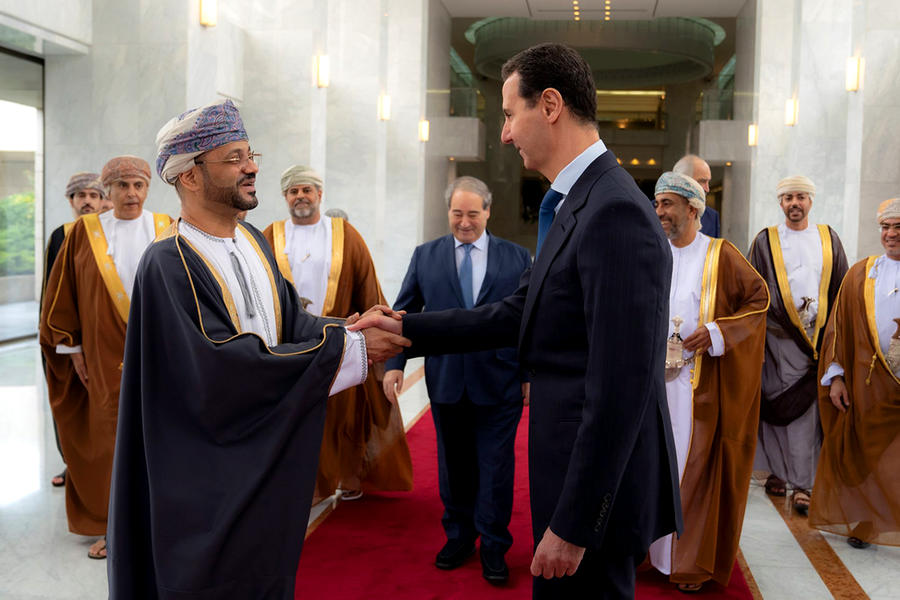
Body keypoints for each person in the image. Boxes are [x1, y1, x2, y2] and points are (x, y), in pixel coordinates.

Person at [352, 43, 680, 598]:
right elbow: (515, 313)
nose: (504, 133)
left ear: (549, 105)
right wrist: (405, 330)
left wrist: (575, 523)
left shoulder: (615, 211)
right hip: (568, 471)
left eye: (509, 114)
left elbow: (622, 387)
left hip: (592, 500)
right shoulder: (578, 202)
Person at [106, 99, 409, 598]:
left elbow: (292, 322)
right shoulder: (169, 262)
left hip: (260, 463)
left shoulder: (251, 241)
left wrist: (349, 326)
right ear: (190, 176)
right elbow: (221, 367)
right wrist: (349, 350)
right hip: (209, 479)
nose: (252, 168)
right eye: (233, 157)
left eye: (251, 154)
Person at [383, 176, 531, 585]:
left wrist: (528, 374)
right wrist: (395, 362)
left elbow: (529, 323)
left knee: (496, 467)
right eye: (457, 214)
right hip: (447, 380)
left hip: (500, 382)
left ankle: (495, 546)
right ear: (448, 212)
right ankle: (460, 537)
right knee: (454, 467)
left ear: (488, 212)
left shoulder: (518, 258)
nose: (464, 222)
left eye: (472, 214)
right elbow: (404, 311)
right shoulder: (425, 256)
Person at [40, 156, 171, 560]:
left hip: (163, 354)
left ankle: (164, 528)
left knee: (163, 440)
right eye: (122, 186)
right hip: (102, 357)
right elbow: (64, 295)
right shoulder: (85, 232)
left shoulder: (169, 228)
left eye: (138, 185)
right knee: (112, 443)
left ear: (148, 189)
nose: (131, 194)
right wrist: (74, 350)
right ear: (107, 191)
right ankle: (117, 530)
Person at [647, 172, 768, 592]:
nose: (659, 212)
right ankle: (647, 554)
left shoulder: (721, 254)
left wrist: (717, 332)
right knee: (650, 468)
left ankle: (687, 562)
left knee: (691, 470)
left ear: (693, 209)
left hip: (698, 390)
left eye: (668, 204)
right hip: (650, 387)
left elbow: (758, 300)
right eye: (657, 203)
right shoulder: (650, 251)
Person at [262, 165, 412, 502]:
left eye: (306, 190)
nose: (300, 196)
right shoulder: (269, 235)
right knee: (298, 417)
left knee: (342, 412)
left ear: (319, 194)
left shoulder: (344, 233)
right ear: (285, 197)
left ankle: (347, 475)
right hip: (290, 346)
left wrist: (383, 334)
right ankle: (310, 485)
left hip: (339, 342)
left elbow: (367, 287)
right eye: (293, 191)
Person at [748, 175, 848, 515]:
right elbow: (752, 291)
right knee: (774, 411)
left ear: (811, 201)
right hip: (774, 345)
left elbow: (841, 289)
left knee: (807, 415)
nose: (795, 203)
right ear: (780, 203)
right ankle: (777, 472)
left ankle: (805, 484)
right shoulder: (766, 241)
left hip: (814, 345)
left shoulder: (828, 238)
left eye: (801, 197)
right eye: (789, 197)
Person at [811, 198, 900, 549]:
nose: (891, 235)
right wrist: (836, 376)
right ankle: (865, 521)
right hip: (868, 384)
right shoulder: (863, 272)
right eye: (886, 228)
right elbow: (838, 328)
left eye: (898, 228)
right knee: (866, 454)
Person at [42, 172, 112, 488]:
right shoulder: (63, 234)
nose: (87, 200)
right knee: (70, 407)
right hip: (69, 339)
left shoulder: (110, 233)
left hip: (105, 339)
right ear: (71, 201)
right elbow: (52, 294)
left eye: (93, 195)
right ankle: (72, 466)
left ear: (102, 200)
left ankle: (102, 473)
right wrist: (64, 342)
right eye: (80, 195)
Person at [673, 154, 719, 237]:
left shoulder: (712, 217)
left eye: (708, 182)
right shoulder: (653, 212)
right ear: (682, 181)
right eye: (702, 181)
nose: (707, 189)